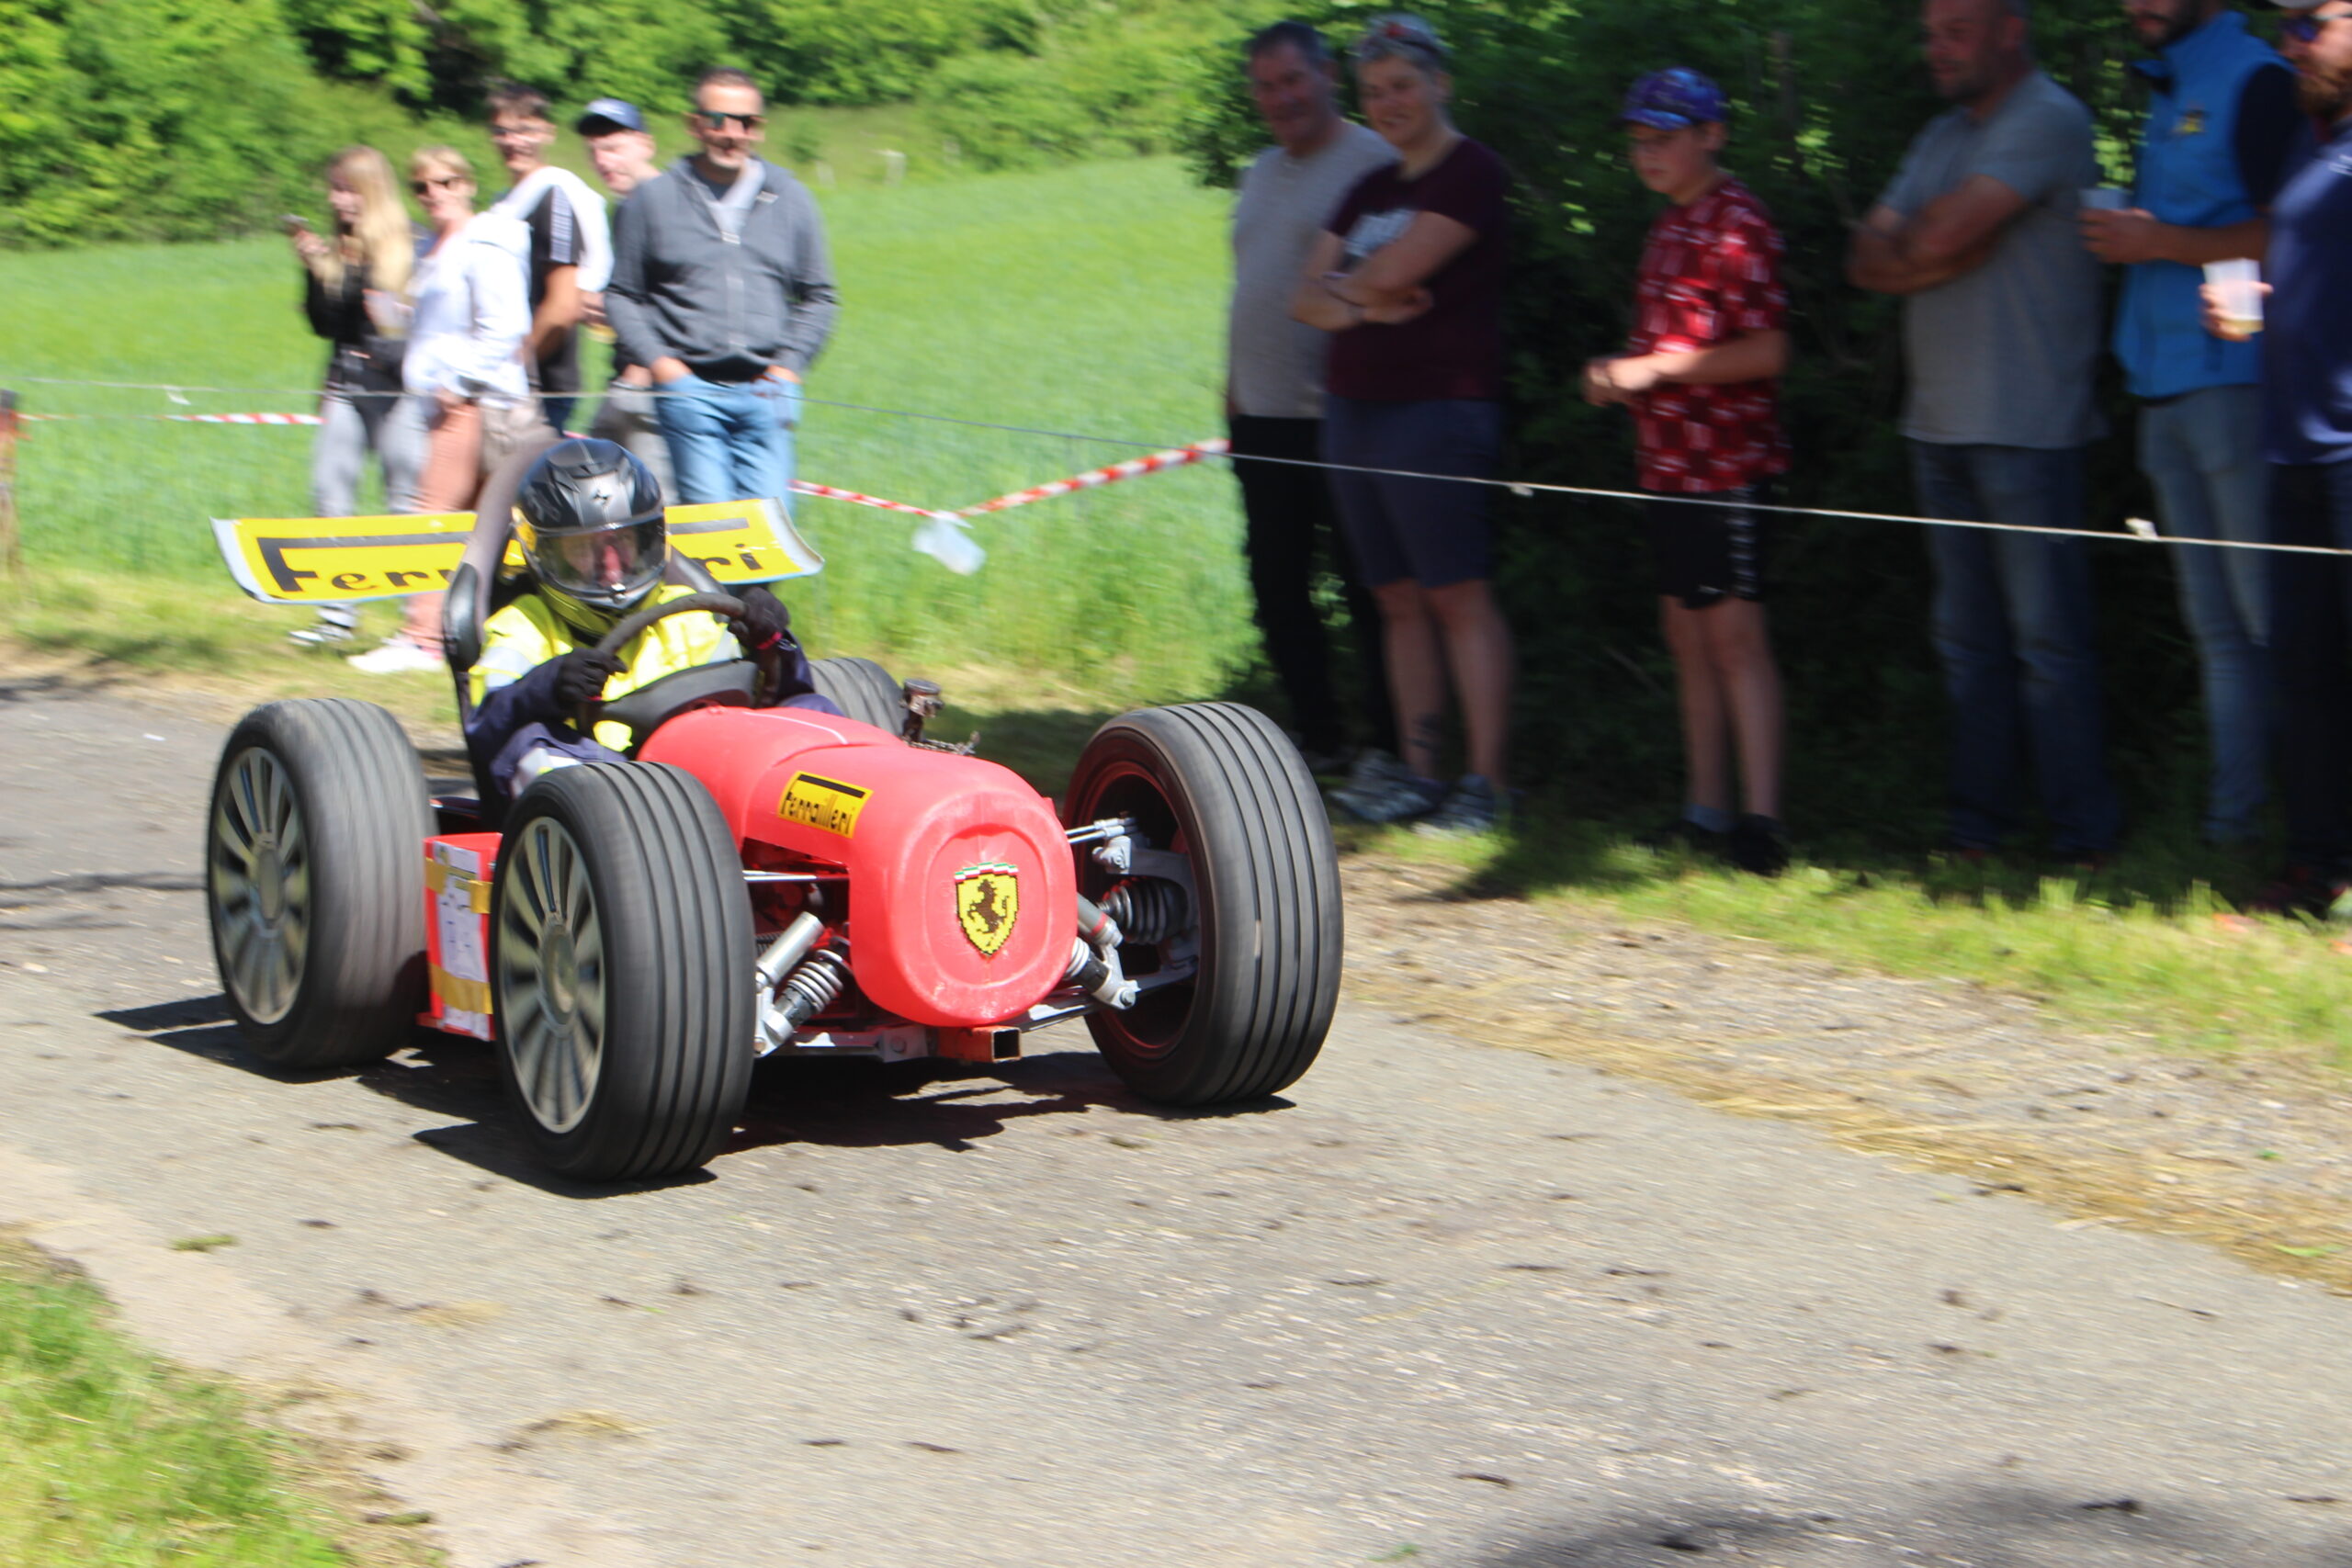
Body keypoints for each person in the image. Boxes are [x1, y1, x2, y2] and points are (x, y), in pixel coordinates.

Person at [1847, 0, 2122, 865]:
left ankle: (2081, 840)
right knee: (1967, 646)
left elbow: (1940, 229)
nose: (1937, 48)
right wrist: (1937, 253)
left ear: (2010, 27)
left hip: (2028, 427)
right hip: (1938, 424)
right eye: (1931, 32)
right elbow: (1864, 255)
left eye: (1957, 29)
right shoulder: (1941, 136)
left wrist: (1927, 249)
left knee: (2048, 645)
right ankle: (1979, 832)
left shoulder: (2048, 115)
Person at [1292, 15, 1517, 836]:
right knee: (1395, 600)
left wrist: (1358, 288)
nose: (1388, 102)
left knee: (1458, 594)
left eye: (1403, 85)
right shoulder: (1370, 189)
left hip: (1438, 409)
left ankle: (1486, 782)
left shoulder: (1470, 173)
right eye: (1375, 90)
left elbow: (1379, 274)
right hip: (1356, 412)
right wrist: (1373, 299)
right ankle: (1421, 775)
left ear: (1440, 84)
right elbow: (1303, 297)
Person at [2082, 0, 2297, 849]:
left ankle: (2312, 839)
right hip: (2162, 390)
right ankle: (2233, 831)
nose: (2140, 6)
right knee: (2217, 632)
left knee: (2269, 622)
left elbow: (2289, 234)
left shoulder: (2258, 77)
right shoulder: (2169, 82)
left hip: (2239, 387)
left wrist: (2159, 240)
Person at [1585, 70, 1792, 875]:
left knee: (1737, 639)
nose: (1647, 153)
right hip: (1668, 468)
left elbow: (1769, 351)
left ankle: (1763, 823)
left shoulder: (1739, 220)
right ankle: (1704, 813)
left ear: (1713, 135)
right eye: (1638, 140)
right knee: (1688, 637)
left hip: (1730, 467)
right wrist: (1620, 375)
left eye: (1663, 138)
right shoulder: (1670, 225)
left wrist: (1651, 374)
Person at [2202, 0, 2352, 911]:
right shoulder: (2310, 141)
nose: (2289, 41)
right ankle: (2315, 869)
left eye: (2310, 22)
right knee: (2303, 670)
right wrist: (2253, 298)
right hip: (2290, 445)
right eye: (2281, 24)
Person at [466, 440, 839, 800]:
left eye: (623, 543)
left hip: (708, 778)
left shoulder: (687, 611)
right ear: (545, 555)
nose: (611, 569)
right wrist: (547, 686)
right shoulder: (521, 625)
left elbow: (774, 699)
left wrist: (773, 644)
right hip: (606, 801)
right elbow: (485, 729)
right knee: (530, 745)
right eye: (584, 549)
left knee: (814, 713)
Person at [1227, 20, 1399, 772]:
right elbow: (1249, 285)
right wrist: (1229, 390)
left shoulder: (1373, 162)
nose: (1280, 98)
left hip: (1342, 414)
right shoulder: (1261, 169)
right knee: (1277, 584)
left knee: (1371, 590)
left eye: (1292, 80)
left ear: (1328, 75)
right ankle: (1320, 736)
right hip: (1260, 417)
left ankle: (1391, 744)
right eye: (1265, 86)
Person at [606, 67, 840, 510]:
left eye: (746, 122)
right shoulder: (654, 200)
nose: (732, 134)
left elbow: (819, 296)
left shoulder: (790, 197)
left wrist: (788, 369)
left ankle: (760, 585)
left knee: (770, 532)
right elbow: (622, 295)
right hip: (690, 391)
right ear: (694, 124)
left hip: (767, 392)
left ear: (760, 129)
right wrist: (664, 367)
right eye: (718, 120)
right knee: (712, 533)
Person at [349, 145, 532, 676]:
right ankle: (467, 633)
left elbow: (506, 325)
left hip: (473, 402)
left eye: (446, 183)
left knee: (433, 515)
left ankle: (421, 635)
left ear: (467, 184)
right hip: (442, 400)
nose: (435, 195)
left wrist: (460, 381)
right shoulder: (432, 246)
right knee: (481, 528)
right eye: (422, 187)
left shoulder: (484, 243)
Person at [287, 146, 426, 649]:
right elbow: (327, 326)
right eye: (333, 188)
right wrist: (314, 268)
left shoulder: (408, 245)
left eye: (346, 189)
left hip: (399, 391)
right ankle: (335, 618)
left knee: (404, 503)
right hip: (346, 385)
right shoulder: (342, 248)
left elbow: (408, 325)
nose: (336, 199)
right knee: (331, 493)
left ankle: (417, 627)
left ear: (370, 191)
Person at [484, 82, 610, 435]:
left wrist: (513, 366)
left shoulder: (553, 196)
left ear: (548, 133)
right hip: (505, 382)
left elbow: (563, 305)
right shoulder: (504, 202)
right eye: (502, 130)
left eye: (525, 130)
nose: (513, 141)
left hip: (537, 384)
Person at [576, 96, 676, 501]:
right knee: (591, 493)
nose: (603, 160)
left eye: (614, 148)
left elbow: (681, 297)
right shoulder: (626, 208)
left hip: (654, 389)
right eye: (595, 152)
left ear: (646, 145)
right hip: (625, 382)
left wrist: (643, 366)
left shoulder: (669, 204)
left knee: (661, 509)